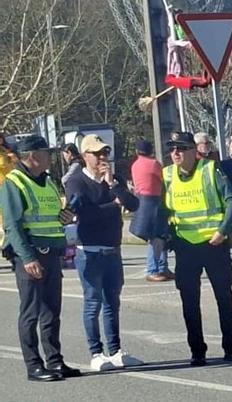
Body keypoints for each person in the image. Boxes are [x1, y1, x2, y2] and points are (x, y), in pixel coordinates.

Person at [161, 132, 232, 366]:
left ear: (193, 151)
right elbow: (161, 208)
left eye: (180, 148)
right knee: (189, 300)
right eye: (172, 149)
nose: (175, 153)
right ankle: (197, 350)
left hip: (213, 244)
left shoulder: (210, 170)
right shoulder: (167, 175)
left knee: (223, 297)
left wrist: (223, 229)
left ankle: (231, 346)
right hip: (185, 247)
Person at [1, 135, 79, 381]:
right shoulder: (14, 183)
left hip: (51, 254)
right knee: (31, 312)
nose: (51, 157)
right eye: (46, 152)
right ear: (33, 156)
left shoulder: (47, 181)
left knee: (51, 312)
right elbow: (12, 225)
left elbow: (49, 215)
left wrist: (64, 217)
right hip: (30, 256)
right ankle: (34, 365)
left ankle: (55, 361)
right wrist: (27, 258)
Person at [65, 134, 143, 371]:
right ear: (85, 156)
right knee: (93, 302)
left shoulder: (113, 180)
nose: (102, 158)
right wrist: (112, 206)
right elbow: (84, 215)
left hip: (112, 249)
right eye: (97, 153)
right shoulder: (76, 182)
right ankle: (96, 352)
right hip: (89, 250)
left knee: (112, 302)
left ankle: (115, 350)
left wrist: (113, 185)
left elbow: (134, 204)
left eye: (105, 153)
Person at [130, 139, 171, 282]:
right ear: (150, 151)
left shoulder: (135, 165)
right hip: (154, 200)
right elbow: (165, 180)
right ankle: (154, 268)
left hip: (141, 200)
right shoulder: (154, 164)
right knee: (158, 236)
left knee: (160, 236)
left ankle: (162, 267)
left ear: (137, 151)